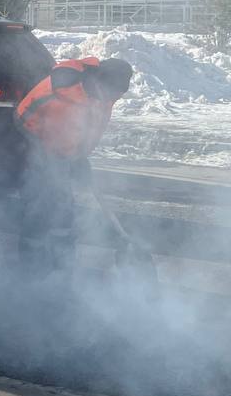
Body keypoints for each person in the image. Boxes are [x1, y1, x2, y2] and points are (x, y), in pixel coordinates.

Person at [14, 56, 139, 267]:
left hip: (65, 154)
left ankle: (63, 259)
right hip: (36, 150)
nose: (114, 98)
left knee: (63, 207)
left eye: (118, 94)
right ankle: (30, 262)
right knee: (39, 205)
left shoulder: (102, 95)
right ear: (101, 84)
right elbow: (21, 119)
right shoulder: (59, 92)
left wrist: (79, 157)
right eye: (113, 93)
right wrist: (44, 154)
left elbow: (81, 130)